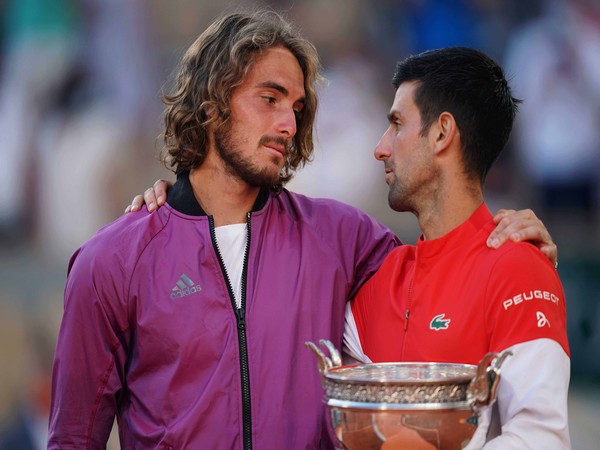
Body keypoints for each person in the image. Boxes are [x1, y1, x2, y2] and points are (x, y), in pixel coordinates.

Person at [51, 10, 557, 450]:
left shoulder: (343, 238)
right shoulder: (111, 261)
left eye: (296, 107)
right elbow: (72, 438)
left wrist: (510, 241)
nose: (290, 124)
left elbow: (444, 264)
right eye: (270, 98)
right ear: (211, 103)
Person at [344, 47, 570, 448]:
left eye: (396, 124)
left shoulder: (517, 267)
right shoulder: (377, 279)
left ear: (442, 132)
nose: (380, 148)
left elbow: (541, 438)